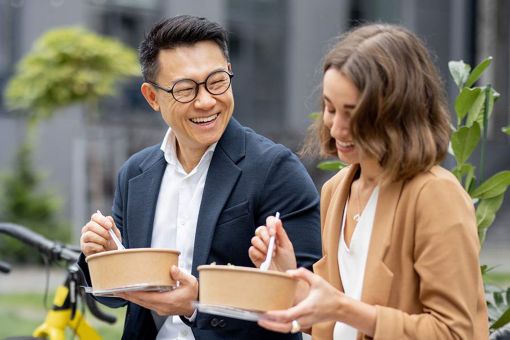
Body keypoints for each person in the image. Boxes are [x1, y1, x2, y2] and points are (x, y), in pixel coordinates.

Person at [78, 15, 321, 340]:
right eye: (185, 89)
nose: (206, 101)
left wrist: (197, 303)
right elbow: (120, 299)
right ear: (152, 97)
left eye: (217, 81)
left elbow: (307, 304)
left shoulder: (276, 169)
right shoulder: (135, 174)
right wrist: (103, 257)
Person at [249, 23, 489, 339]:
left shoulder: (435, 194)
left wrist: (340, 308)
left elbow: (457, 333)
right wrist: (287, 275)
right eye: (330, 108)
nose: (336, 128)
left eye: (353, 113)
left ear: (397, 113)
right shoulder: (336, 190)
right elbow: (332, 321)